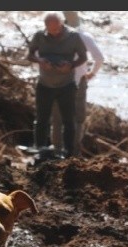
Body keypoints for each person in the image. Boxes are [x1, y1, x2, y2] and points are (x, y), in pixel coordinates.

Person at [26, 11, 87, 158]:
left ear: (62, 24)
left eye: (56, 29)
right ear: (45, 26)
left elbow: (83, 57)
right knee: (42, 118)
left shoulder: (74, 36)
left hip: (66, 85)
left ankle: (69, 152)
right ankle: (40, 148)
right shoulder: (39, 35)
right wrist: (40, 61)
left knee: (68, 120)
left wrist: (71, 65)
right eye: (50, 29)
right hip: (44, 84)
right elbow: (30, 55)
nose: (53, 32)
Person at [50, 11, 105, 157]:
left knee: (57, 118)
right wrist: (92, 73)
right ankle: (73, 152)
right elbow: (99, 58)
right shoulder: (84, 37)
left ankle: (56, 151)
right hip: (78, 82)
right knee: (77, 118)